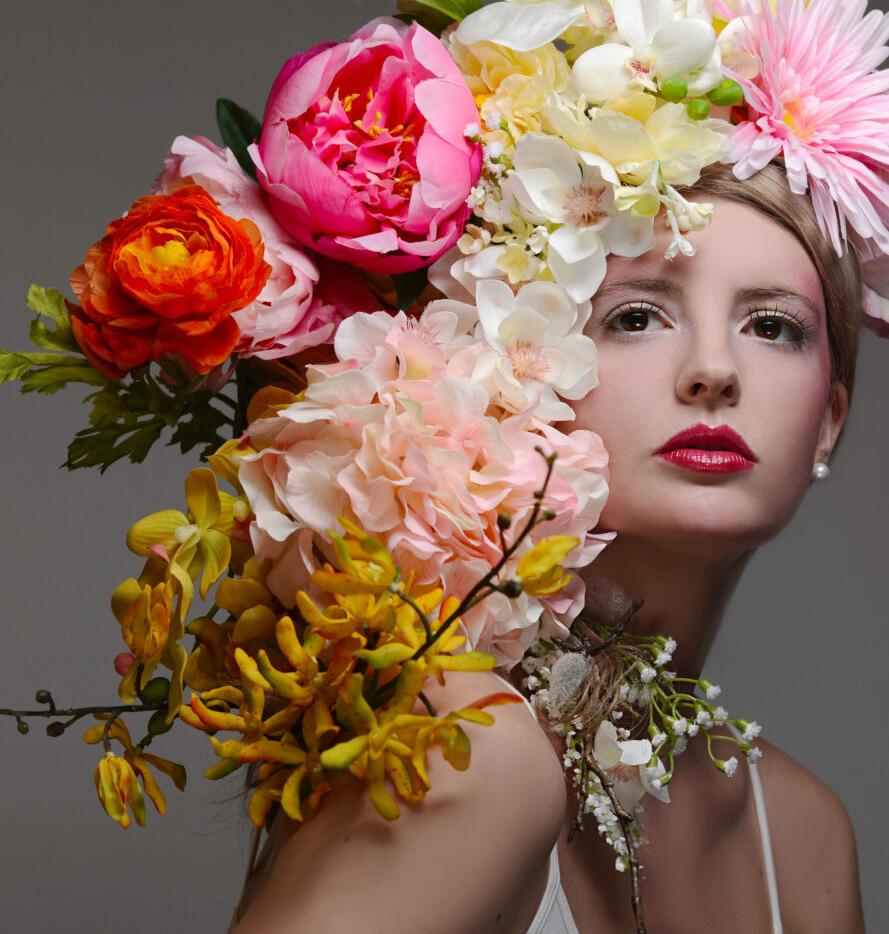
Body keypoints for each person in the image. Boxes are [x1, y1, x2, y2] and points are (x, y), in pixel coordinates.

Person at [227, 164, 866, 933]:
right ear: (517, 371)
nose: (713, 372)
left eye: (770, 326)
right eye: (634, 317)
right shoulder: (469, 757)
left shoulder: (803, 838)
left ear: (827, 422)